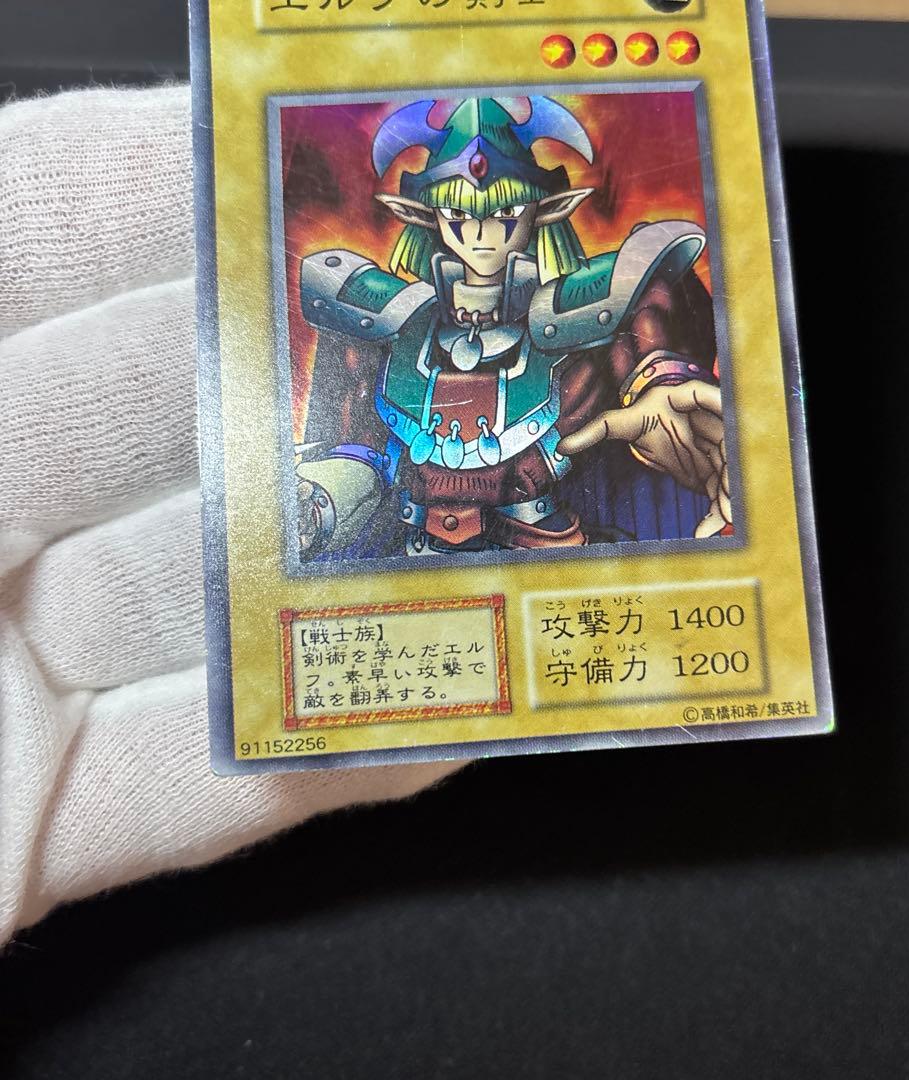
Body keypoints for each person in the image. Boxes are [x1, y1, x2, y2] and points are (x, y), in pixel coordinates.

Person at [0, 85, 463, 947]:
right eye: (461, 217)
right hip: (382, 458)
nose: (480, 235)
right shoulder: (379, 290)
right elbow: (337, 301)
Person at [296, 96, 732, 561]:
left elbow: (652, 314)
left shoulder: (582, 317)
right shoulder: (391, 323)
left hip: (549, 555)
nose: (481, 234)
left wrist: (664, 386)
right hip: (414, 558)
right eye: (459, 215)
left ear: (542, 212)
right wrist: (315, 506)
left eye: (505, 214)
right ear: (426, 216)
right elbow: (359, 454)